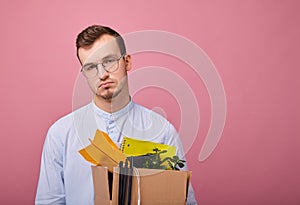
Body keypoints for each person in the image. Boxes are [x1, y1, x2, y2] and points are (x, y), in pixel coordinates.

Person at [35, 25, 198, 204]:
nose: (102, 74)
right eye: (90, 67)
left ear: (127, 62)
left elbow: (182, 201)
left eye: (110, 61)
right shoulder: (60, 134)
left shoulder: (163, 132)